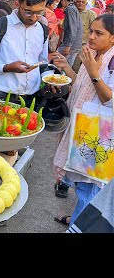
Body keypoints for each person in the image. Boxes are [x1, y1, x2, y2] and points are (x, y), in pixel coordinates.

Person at [52, 13, 114, 228]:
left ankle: (79, 226)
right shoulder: (94, 55)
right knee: (81, 185)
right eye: (92, 31)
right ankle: (77, 220)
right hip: (82, 129)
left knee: (89, 188)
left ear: (113, 38)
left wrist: (94, 72)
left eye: (99, 33)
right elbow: (85, 87)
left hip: (98, 136)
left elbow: (110, 101)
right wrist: (67, 68)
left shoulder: (111, 61)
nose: (92, 37)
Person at [57, 0, 83, 67]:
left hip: (71, 44)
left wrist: (68, 45)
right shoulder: (73, 8)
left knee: (58, 63)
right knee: (67, 66)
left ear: (63, 0)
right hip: (76, 43)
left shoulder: (70, 9)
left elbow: (73, 28)